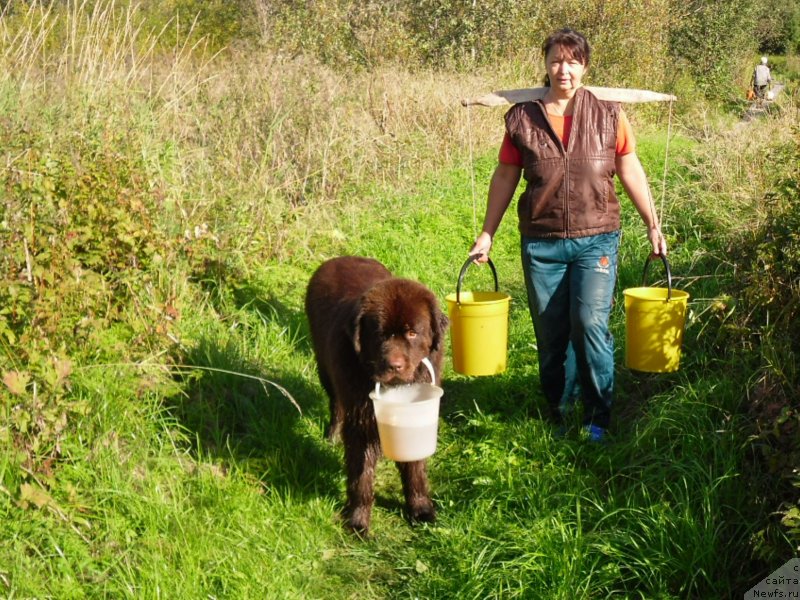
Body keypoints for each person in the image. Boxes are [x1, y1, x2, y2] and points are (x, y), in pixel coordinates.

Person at [469, 28, 667, 442]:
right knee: (551, 332)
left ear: (585, 67)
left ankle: (599, 414)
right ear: (545, 64)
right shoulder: (522, 118)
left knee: (589, 323)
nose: (565, 69)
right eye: (557, 59)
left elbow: (629, 168)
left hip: (597, 237)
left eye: (573, 61)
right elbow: (506, 174)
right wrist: (487, 232)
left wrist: (652, 223)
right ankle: (559, 405)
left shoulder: (609, 114)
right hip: (541, 243)